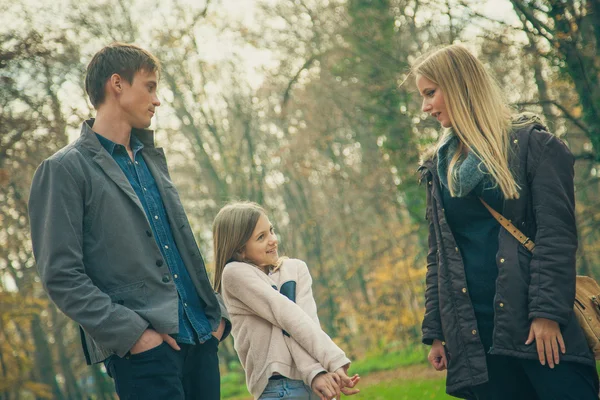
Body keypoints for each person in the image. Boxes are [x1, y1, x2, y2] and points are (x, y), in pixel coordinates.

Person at [28, 43, 230, 400]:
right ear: (117, 84)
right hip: (144, 355)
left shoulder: (150, 159)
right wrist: (136, 336)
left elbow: (182, 248)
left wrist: (218, 317)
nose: (157, 100)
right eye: (149, 86)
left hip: (201, 337)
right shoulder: (62, 170)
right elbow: (61, 275)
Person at [415, 44, 599, 399]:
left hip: (538, 329)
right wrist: (437, 331)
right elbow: (439, 256)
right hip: (475, 337)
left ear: (460, 86)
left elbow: (556, 237)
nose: (425, 107)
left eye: (430, 93)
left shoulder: (535, 147)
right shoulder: (439, 168)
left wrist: (546, 314)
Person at [212, 202, 360, 400]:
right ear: (240, 251)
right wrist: (329, 362)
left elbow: (306, 321)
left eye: (271, 230)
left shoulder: (296, 269)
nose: (273, 240)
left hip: (316, 380)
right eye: (261, 237)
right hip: (280, 388)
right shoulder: (234, 274)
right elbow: (286, 316)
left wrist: (319, 370)